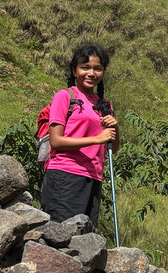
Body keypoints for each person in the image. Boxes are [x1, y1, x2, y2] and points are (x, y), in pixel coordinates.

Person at [41, 42, 119, 226]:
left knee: (84, 242)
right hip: (65, 176)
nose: (91, 73)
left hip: (93, 178)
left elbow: (112, 149)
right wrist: (97, 139)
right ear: (74, 71)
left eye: (97, 69)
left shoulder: (105, 105)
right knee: (61, 237)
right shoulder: (65, 96)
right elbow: (56, 141)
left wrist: (116, 128)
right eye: (85, 68)